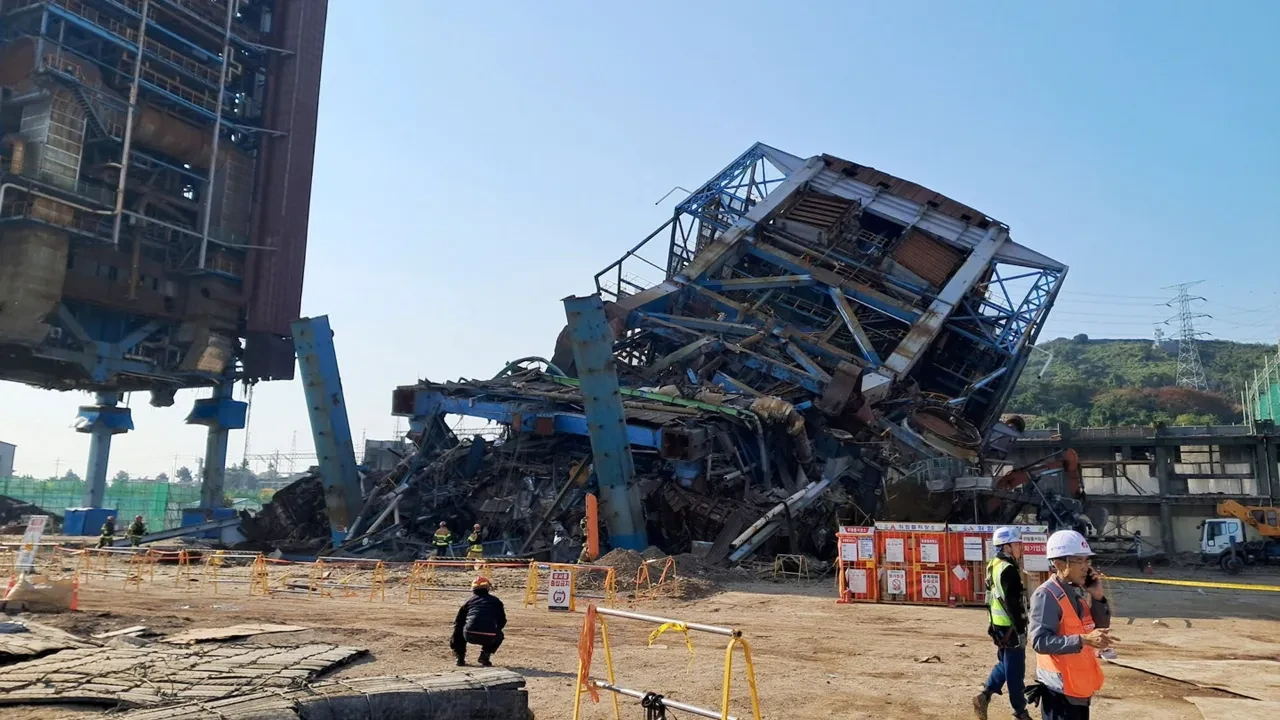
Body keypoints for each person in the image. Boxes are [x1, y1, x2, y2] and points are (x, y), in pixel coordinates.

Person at [1026, 529, 1117, 719]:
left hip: (1078, 687)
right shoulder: (1047, 595)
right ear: (1059, 563)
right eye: (1079, 561)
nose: (1086, 567)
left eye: (1087, 561)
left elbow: (1095, 627)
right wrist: (1083, 639)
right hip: (1059, 692)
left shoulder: (1076, 592)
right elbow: (1040, 642)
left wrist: (1098, 597)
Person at [973, 527, 1033, 720]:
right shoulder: (1008, 570)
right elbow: (1012, 603)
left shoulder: (994, 564)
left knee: (1005, 663)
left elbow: (991, 597)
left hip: (999, 625)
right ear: (1007, 547)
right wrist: (1021, 628)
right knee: (1015, 671)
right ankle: (1020, 711)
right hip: (1011, 627)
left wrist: (992, 624)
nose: (1020, 547)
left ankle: (984, 695)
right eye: (1017, 544)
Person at [450, 576, 506, 667]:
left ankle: (460, 658)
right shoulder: (496, 601)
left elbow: (458, 621)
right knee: (500, 635)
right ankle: (485, 656)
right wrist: (495, 630)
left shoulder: (469, 601)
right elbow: (502, 621)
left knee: (458, 630)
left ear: (473, 589)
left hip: (469, 634)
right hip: (490, 636)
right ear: (488, 588)